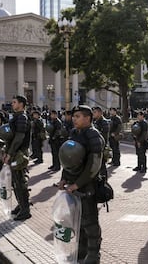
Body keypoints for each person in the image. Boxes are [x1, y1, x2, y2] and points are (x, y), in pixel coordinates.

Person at [57, 105, 105, 263]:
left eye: (77, 116)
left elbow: (94, 166)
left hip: (87, 186)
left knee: (90, 223)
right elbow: (67, 159)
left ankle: (93, 255)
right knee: (78, 221)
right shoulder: (74, 133)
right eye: (74, 116)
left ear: (87, 118)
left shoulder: (93, 136)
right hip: (73, 185)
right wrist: (64, 178)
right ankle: (82, 251)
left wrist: (77, 184)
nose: (74, 119)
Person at [3, 95, 32, 221]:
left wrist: (10, 153)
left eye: (14, 102)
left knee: (20, 182)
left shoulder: (22, 117)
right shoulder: (17, 117)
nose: (12, 104)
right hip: (14, 152)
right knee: (16, 181)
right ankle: (21, 205)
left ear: (21, 104)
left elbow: (19, 138)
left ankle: (25, 209)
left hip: (19, 153)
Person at [92, 106, 110, 179]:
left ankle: (104, 182)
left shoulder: (104, 122)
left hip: (102, 146)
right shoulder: (95, 121)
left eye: (95, 112)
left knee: (102, 166)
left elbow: (104, 136)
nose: (93, 114)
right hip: (96, 145)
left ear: (100, 113)